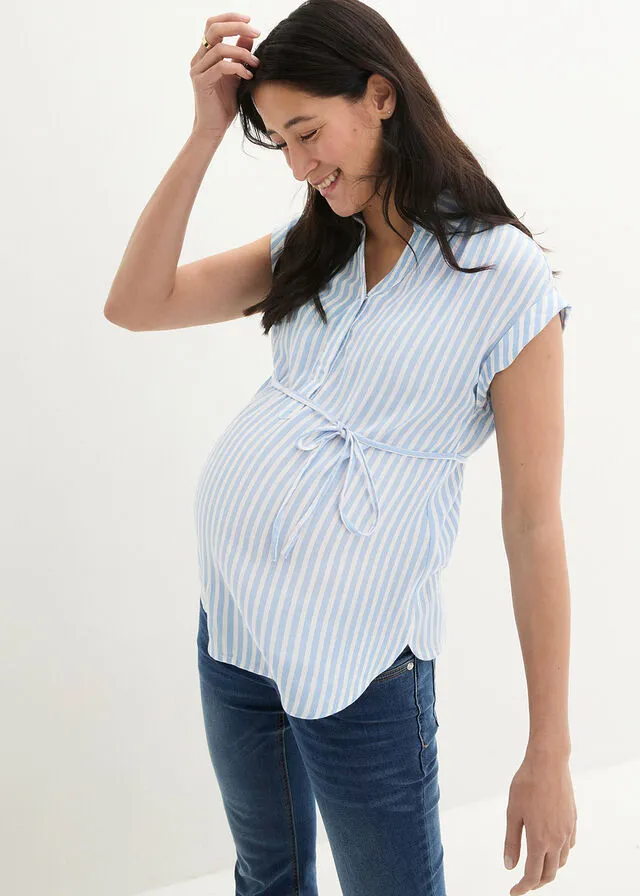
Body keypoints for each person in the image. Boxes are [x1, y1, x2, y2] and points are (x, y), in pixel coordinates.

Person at [104, 3, 577, 894]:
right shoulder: (316, 244)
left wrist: (547, 749)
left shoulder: (503, 277)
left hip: (360, 665)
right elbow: (136, 302)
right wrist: (207, 132)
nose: (299, 164)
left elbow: (533, 525)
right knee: (267, 877)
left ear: (381, 96)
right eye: (279, 141)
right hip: (237, 635)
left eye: (308, 131)